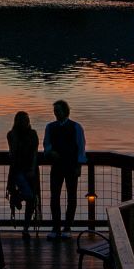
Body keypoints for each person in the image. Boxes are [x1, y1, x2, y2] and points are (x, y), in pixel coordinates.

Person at [43, 99, 86, 236]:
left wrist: (79, 166)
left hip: (71, 166)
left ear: (65, 111)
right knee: (54, 196)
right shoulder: (50, 127)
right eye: (55, 111)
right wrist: (50, 151)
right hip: (56, 166)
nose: (56, 113)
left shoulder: (76, 127)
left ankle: (67, 227)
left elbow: (81, 148)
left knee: (72, 197)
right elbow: (46, 144)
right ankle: (56, 227)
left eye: (58, 110)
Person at [5, 111, 42, 229]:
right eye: (24, 120)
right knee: (30, 196)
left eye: (27, 120)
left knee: (31, 200)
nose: (26, 122)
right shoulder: (12, 135)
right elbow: (13, 152)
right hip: (18, 170)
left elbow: (34, 153)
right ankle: (17, 198)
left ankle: (26, 228)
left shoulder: (32, 134)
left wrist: (32, 168)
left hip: (30, 170)